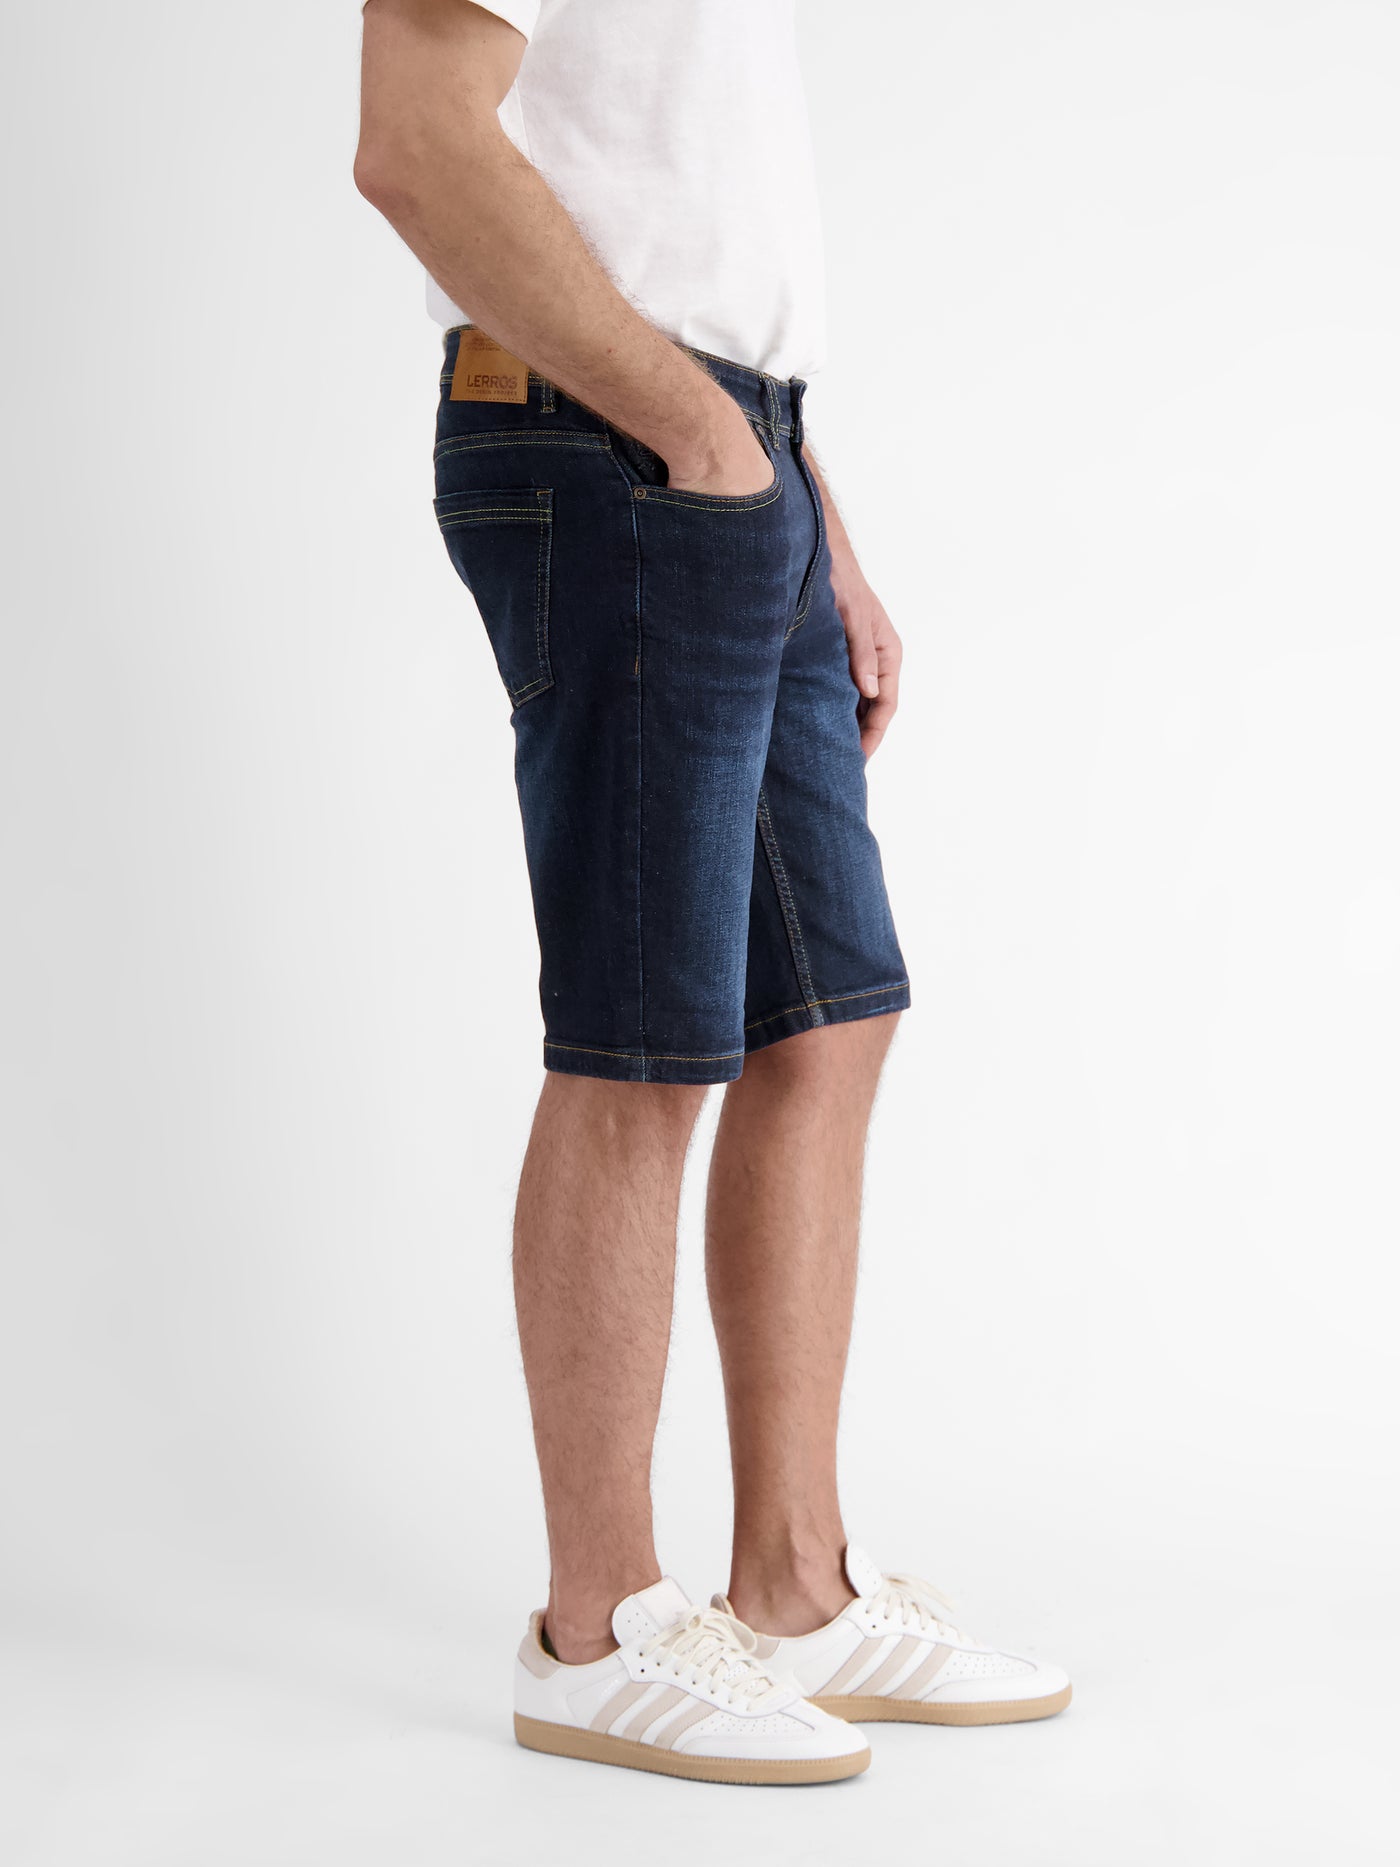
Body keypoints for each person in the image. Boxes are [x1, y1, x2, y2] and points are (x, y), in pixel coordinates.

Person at [356, 0, 1069, 1787]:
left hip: (733, 450)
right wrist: (698, 435)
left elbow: (685, 215)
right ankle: (593, 1632)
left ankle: (796, 1591)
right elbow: (417, 143)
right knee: (645, 1036)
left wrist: (804, 503)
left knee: (828, 1015)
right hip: (612, 435)